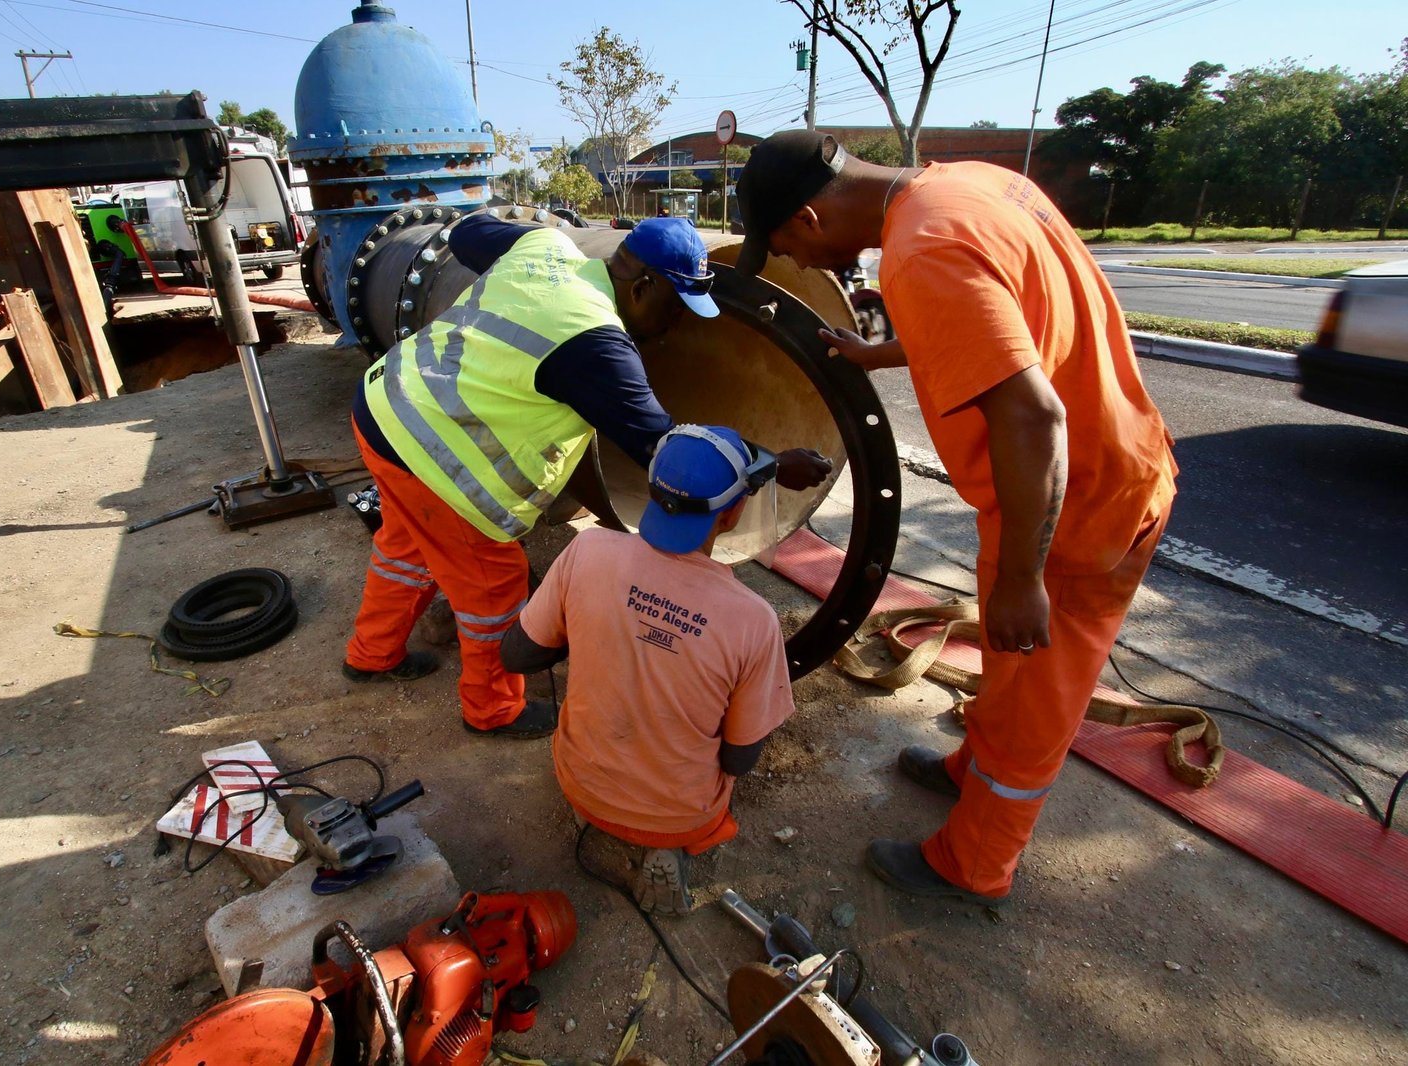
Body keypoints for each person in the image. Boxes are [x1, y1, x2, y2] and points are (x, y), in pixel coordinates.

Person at [733, 131, 1177, 908]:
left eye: (791, 252)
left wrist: (1022, 578)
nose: (803, 267)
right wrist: (887, 354)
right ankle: (970, 769)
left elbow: (1034, 416)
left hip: (1078, 507)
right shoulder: (968, 185)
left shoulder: (919, 250)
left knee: (1037, 699)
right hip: (1072, 479)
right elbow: (1003, 319)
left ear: (806, 218)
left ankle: (973, 867)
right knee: (1009, 668)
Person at [345, 213, 830, 740]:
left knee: (405, 549)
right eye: (675, 308)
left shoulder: (543, 244)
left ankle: (371, 655)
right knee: (492, 590)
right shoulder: (599, 346)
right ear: (642, 286)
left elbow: (464, 233)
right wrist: (776, 465)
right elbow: (669, 454)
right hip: (433, 461)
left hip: (383, 409)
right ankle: (493, 710)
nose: (675, 326)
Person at [500, 424, 796, 915]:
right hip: (680, 817)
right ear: (733, 512)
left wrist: (600, 624)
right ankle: (665, 847)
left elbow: (518, 656)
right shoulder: (752, 620)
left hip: (578, 783)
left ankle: (594, 813)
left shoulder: (588, 551)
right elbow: (740, 760)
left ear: (651, 490)